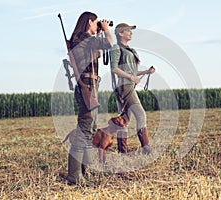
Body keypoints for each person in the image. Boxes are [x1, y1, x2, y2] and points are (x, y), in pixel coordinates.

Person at [66, 11, 113, 185]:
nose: (98, 25)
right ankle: (74, 176)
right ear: (90, 22)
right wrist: (107, 30)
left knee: (90, 127)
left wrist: (98, 33)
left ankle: (82, 171)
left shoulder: (83, 39)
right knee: (85, 128)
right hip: (87, 85)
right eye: (96, 23)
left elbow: (97, 52)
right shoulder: (83, 37)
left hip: (90, 84)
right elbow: (109, 44)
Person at [110, 23, 155, 155]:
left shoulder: (128, 49)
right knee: (141, 114)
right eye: (128, 31)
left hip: (127, 85)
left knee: (125, 119)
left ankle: (122, 152)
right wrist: (131, 77)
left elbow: (132, 71)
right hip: (124, 86)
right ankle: (146, 150)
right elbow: (114, 68)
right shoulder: (116, 48)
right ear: (120, 33)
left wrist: (146, 72)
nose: (131, 33)